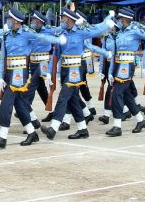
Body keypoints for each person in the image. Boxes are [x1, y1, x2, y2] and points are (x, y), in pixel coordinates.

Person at [0, 8, 55, 148]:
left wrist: (59, 40)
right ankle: (32, 133)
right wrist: (1, 76)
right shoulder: (7, 35)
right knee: (20, 104)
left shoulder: (27, 33)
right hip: (9, 73)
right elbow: (3, 56)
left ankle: (3, 137)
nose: (8, 22)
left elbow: (43, 37)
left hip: (20, 73)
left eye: (9, 19)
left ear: (16, 21)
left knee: (6, 104)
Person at [43, 8, 112, 138]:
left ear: (69, 19)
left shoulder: (81, 32)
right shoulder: (61, 34)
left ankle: (53, 127)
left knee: (63, 97)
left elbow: (95, 30)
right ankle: (82, 129)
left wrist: (107, 22)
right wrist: (48, 72)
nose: (61, 19)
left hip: (76, 69)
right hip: (64, 69)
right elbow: (55, 55)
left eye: (62, 17)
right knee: (73, 100)